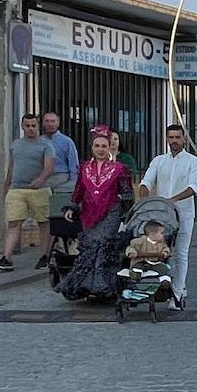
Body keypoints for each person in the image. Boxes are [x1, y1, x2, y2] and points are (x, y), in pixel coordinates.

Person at [56, 128, 132, 300]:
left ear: (109, 147)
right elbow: (79, 190)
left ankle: (103, 286)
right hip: (88, 215)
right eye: (97, 146)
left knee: (103, 246)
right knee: (89, 249)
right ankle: (84, 286)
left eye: (104, 146)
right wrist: (72, 207)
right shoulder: (84, 168)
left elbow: (127, 194)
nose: (100, 149)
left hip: (111, 213)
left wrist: (126, 209)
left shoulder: (120, 169)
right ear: (92, 147)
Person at [139, 124, 197, 309]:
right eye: (171, 137)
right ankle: (169, 286)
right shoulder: (159, 161)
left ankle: (177, 292)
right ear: (166, 139)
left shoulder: (193, 162)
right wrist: (145, 199)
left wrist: (171, 200)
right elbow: (146, 182)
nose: (174, 141)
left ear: (184, 139)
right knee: (163, 253)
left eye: (177, 137)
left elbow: (192, 188)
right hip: (161, 217)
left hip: (184, 214)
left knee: (181, 253)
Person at [0, 114, 55, 272]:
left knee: (43, 223)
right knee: (13, 223)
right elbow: (12, 166)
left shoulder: (46, 145)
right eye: (27, 126)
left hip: (39, 190)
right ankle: (6, 258)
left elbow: (49, 167)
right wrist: (6, 184)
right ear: (22, 127)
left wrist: (41, 179)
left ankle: (44, 256)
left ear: (38, 126)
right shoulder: (16, 145)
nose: (31, 129)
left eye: (33, 126)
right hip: (17, 189)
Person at [40, 111, 80, 270]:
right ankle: (45, 253)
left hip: (61, 180)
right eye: (47, 121)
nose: (50, 124)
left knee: (57, 218)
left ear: (58, 123)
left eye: (53, 121)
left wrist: (73, 184)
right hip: (43, 179)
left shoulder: (66, 141)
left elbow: (73, 164)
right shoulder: (39, 141)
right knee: (43, 217)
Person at [121, 220, 173, 289]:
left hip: (155, 262)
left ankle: (165, 281)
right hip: (141, 260)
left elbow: (165, 248)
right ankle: (136, 274)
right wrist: (131, 253)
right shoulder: (139, 242)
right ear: (153, 234)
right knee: (137, 267)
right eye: (161, 233)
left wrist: (165, 253)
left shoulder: (161, 243)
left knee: (164, 268)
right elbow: (130, 248)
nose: (163, 235)